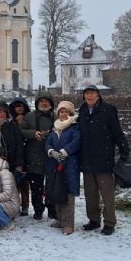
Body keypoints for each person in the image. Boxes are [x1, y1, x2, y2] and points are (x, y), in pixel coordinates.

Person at [78, 85, 130, 235]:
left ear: (98, 95)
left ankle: (109, 223)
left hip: (104, 159)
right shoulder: (82, 111)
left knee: (107, 194)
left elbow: (117, 132)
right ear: (84, 96)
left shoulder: (108, 109)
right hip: (87, 159)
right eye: (87, 93)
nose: (89, 96)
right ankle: (94, 220)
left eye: (92, 93)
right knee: (90, 193)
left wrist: (124, 151)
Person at [45, 101, 81, 235]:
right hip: (55, 164)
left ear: (70, 113)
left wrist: (64, 151)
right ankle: (60, 220)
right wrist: (51, 151)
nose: (63, 114)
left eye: (66, 111)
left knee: (68, 194)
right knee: (57, 191)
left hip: (70, 164)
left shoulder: (74, 126)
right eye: (61, 111)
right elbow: (48, 142)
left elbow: (76, 142)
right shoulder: (55, 127)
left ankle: (68, 224)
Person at [20, 92, 56, 220]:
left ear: (51, 104)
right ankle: (38, 210)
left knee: (52, 186)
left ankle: (52, 210)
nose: (44, 103)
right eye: (41, 101)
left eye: (47, 101)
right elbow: (20, 130)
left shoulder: (56, 116)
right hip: (34, 156)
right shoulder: (29, 116)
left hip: (52, 157)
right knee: (36, 187)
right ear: (37, 104)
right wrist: (33, 133)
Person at [0, 101, 25, 193]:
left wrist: (19, 163)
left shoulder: (12, 125)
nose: (2, 114)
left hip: (11, 162)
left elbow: (19, 144)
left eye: (4, 112)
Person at [8, 97, 32, 215]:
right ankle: (15, 204)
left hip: (27, 153)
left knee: (24, 183)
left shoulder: (29, 119)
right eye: (17, 106)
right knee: (14, 182)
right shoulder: (10, 121)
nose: (19, 108)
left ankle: (25, 206)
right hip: (14, 154)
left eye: (22, 106)